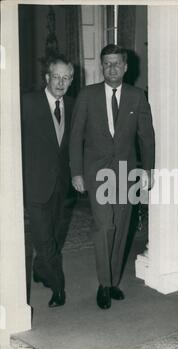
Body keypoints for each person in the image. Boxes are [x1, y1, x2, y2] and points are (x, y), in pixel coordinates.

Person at [69, 44, 155, 310]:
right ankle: (104, 283)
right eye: (107, 63)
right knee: (104, 226)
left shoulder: (137, 96)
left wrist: (148, 171)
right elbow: (75, 136)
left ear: (126, 66)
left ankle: (114, 281)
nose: (112, 68)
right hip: (96, 173)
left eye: (117, 63)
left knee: (122, 227)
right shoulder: (87, 95)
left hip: (126, 173)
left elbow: (146, 137)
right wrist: (77, 172)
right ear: (102, 66)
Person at [21, 55, 75, 307]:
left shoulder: (74, 105)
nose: (60, 82)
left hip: (62, 187)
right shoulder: (27, 103)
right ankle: (58, 287)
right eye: (56, 77)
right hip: (34, 184)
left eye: (66, 78)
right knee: (44, 238)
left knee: (54, 236)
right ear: (47, 78)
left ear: (71, 80)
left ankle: (41, 270)